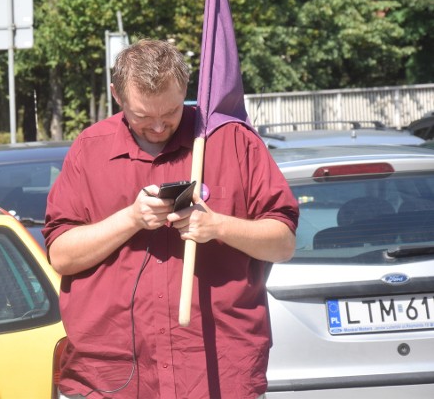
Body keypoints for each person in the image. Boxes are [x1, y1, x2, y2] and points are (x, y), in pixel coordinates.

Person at [44, 39, 299, 399]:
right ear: (117, 95)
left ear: (185, 89)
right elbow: (62, 256)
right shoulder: (90, 149)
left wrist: (218, 227)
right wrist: (131, 219)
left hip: (216, 369)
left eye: (172, 112)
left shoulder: (231, 141)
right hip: (114, 376)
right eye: (144, 116)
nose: (160, 127)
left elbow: (284, 243)